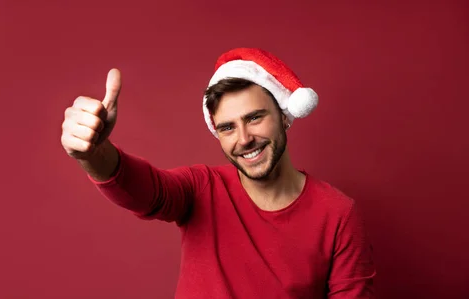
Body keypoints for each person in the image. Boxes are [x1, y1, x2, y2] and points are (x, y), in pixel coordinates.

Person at [61, 48, 376, 298]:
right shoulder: (201, 188)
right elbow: (144, 190)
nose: (243, 139)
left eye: (254, 118)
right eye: (227, 127)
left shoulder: (337, 214)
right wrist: (94, 153)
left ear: (284, 116)